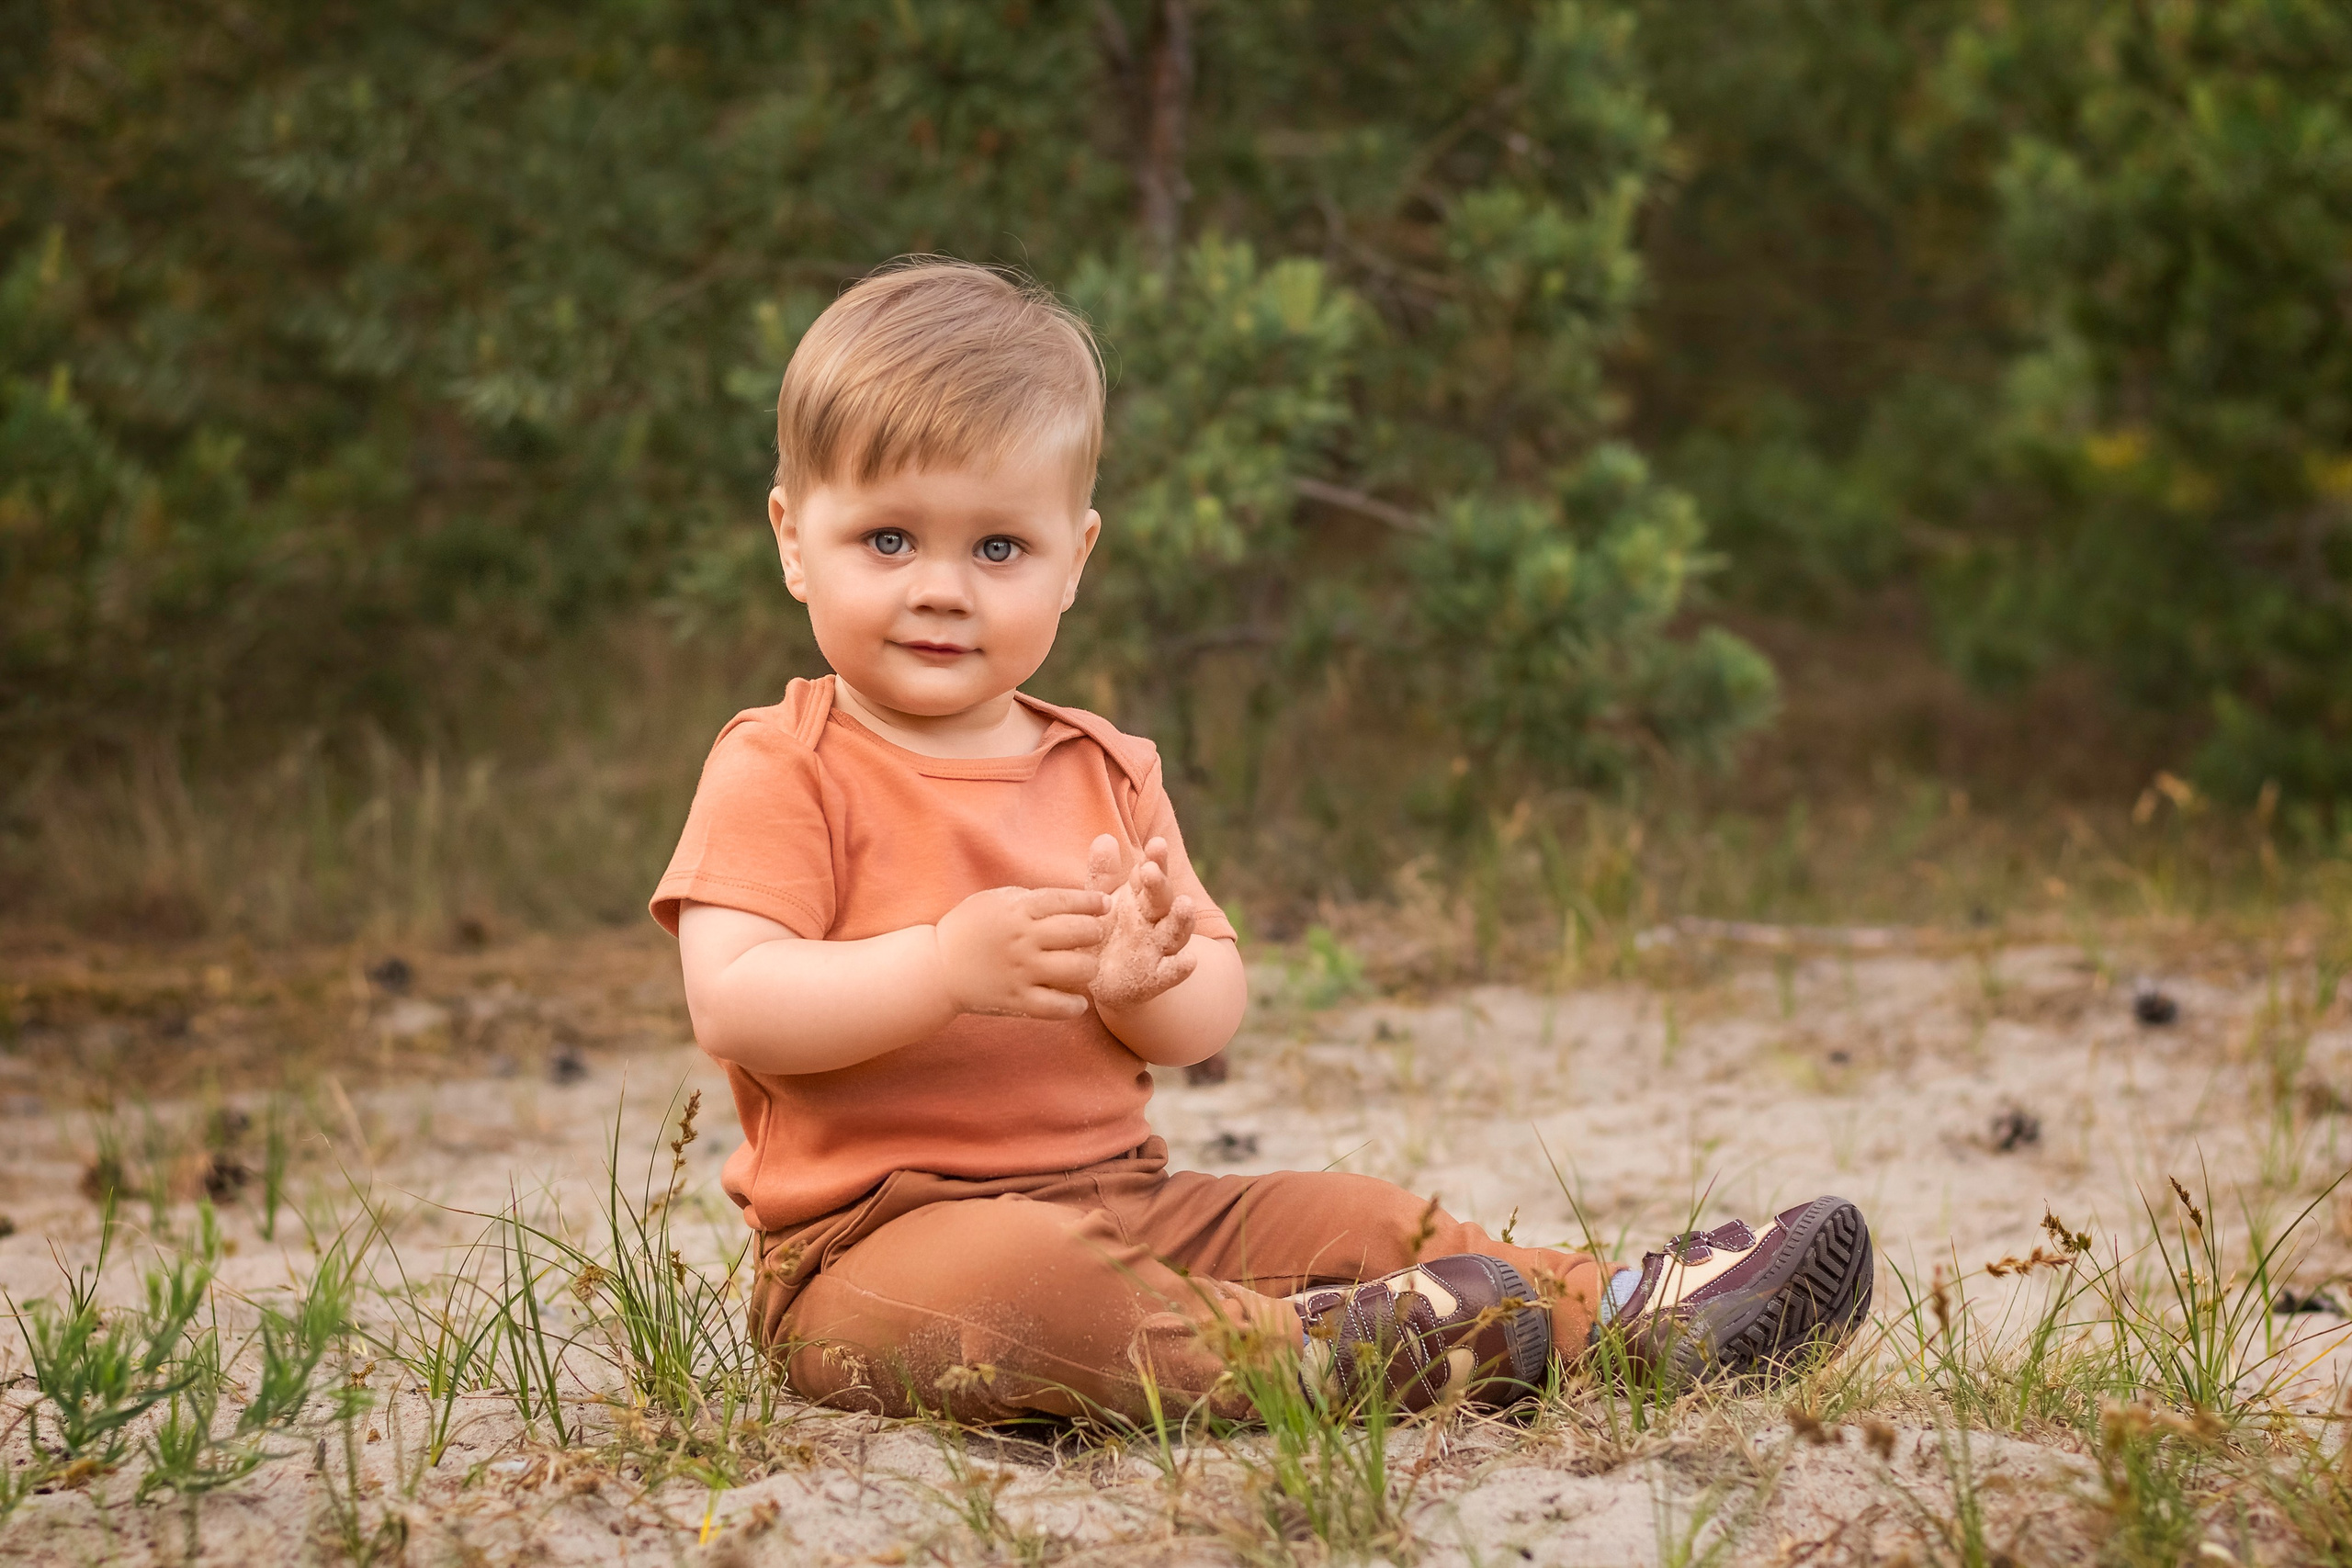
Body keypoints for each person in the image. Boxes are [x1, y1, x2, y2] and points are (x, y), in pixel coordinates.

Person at [650, 259, 1873, 1424]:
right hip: (879, 1256)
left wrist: (1151, 985)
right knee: (1032, 1292)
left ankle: (1612, 1311)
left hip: (1132, 1204)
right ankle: (1322, 1359)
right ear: (792, 540)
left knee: (1346, 1211)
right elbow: (737, 1000)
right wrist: (942, 968)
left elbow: (1207, 1016)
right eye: (888, 540)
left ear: (1074, 562)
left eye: (998, 548)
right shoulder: (784, 761)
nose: (941, 587)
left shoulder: (1102, 767)